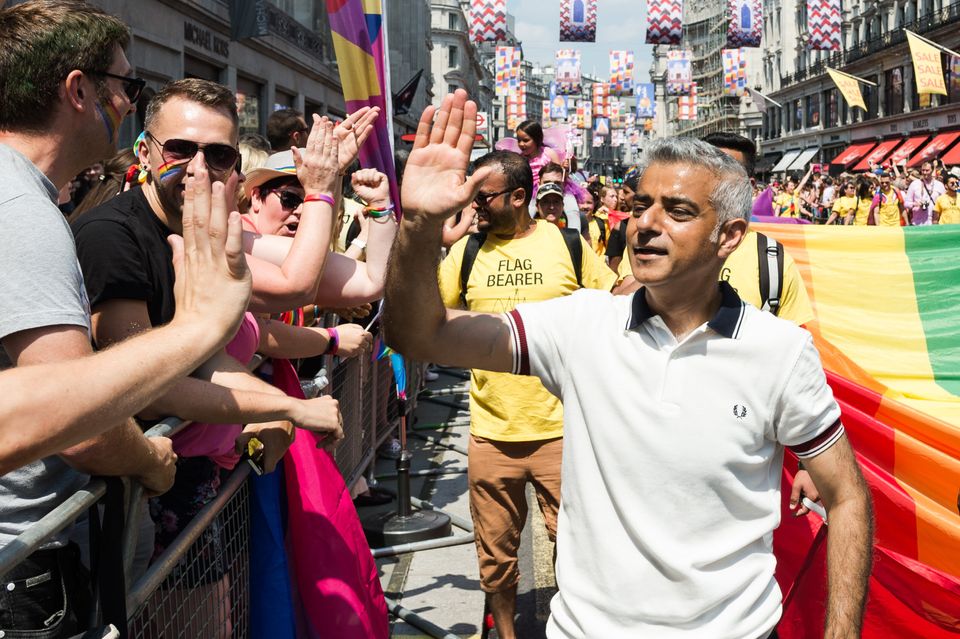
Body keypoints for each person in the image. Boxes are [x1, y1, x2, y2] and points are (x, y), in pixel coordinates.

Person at [384, 90, 873, 638]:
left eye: (679, 210)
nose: (646, 223)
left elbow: (849, 495)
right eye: (641, 205)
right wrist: (419, 228)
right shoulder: (579, 325)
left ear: (729, 236)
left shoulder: (780, 352)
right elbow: (416, 334)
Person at [0, 2, 178, 635]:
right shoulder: (21, 209)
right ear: (79, 90)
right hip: (26, 568)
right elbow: (71, 418)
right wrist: (149, 458)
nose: (133, 103)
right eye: (128, 85)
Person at [435, 147, 617, 639]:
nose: (474, 204)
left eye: (483, 195)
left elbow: (617, 296)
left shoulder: (568, 245)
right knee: (495, 555)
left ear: (519, 196)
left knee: (578, 545)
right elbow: (422, 315)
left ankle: (573, 625)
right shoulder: (466, 251)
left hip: (566, 432)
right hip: (491, 433)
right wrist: (427, 237)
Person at [515, 120, 561, 193]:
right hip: (528, 194)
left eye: (525, 140)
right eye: (519, 140)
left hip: (549, 192)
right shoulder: (520, 159)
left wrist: (566, 170)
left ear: (537, 139)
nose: (521, 144)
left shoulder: (549, 153)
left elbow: (559, 175)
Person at [904, 161, 945, 226]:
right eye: (923, 170)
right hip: (917, 223)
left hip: (934, 223)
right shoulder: (914, 184)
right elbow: (906, 203)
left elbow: (944, 203)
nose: (925, 172)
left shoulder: (939, 185)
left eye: (927, 170)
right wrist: (915, 204)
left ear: (932, 170)